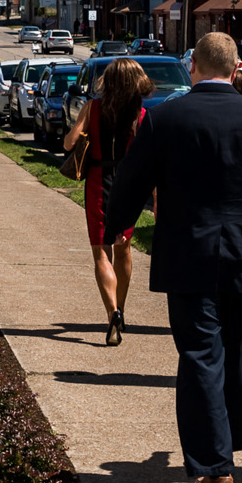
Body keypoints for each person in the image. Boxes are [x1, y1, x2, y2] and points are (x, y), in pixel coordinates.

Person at [103, 31, 242, 483]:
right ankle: (227, 442)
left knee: (200, 354)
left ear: (193, 65)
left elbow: (132, 180)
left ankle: (215, 471)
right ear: (238, 70)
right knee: (235, 351)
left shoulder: (165, 118)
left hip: (189, 252)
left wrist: (118, 226)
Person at [65, 57, 152, 346]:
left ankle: (111, 311)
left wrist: (82, 129)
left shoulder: (93, 108)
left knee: (101, 253)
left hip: (98, 180)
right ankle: (122, 309)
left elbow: (68, 143)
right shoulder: (141, 114)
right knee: (123, 247)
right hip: (129, 182)